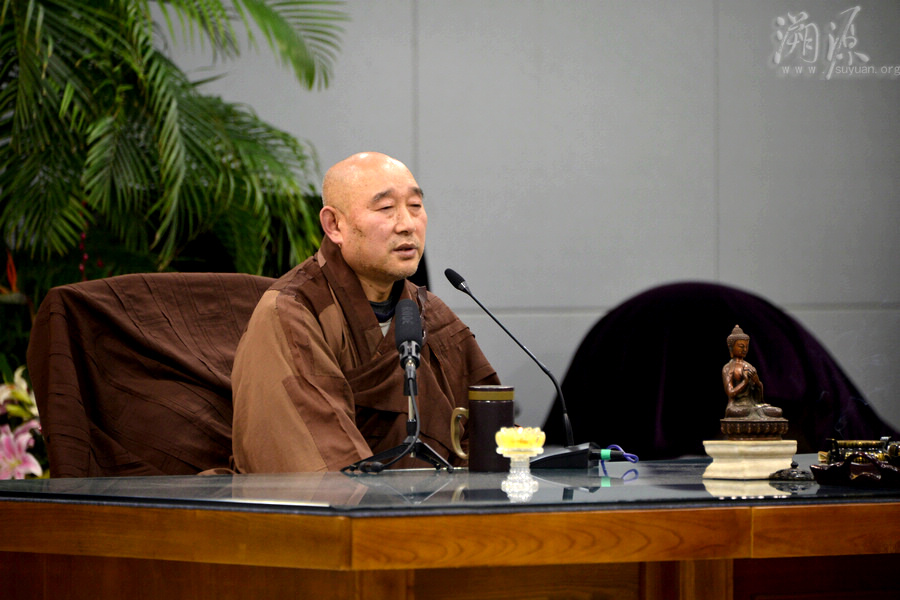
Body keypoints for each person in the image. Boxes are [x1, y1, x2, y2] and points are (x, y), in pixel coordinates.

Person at [230, 152, 499, 472]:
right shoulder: (291, 313)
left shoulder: (430, 313)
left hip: (435, 499)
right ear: (334, 225)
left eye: (415, 206)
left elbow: (489, 432)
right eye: (386, 208)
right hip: (353, 501)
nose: (407, 225)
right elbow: (318, 458)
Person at [721, 324, 783, 420]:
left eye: (746, 346)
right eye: (741, 346)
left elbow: (758, 399)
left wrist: (757, 382)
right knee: (741, 412)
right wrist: (745, 382)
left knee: (777, 411)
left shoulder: (749, 366)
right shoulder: (728, 368)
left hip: (753, 405)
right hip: (737, 406)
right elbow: (730, 392)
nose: (745, 349)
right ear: (731, 347)